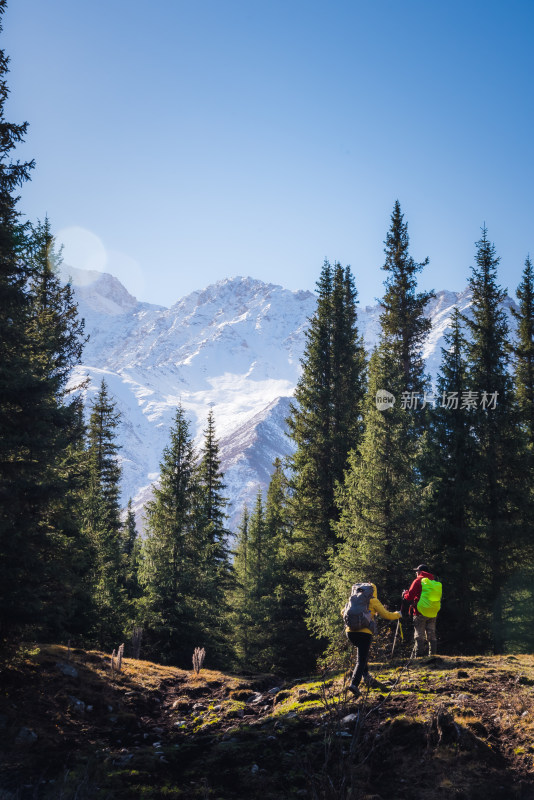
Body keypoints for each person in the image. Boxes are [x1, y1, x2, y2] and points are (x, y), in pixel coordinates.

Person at [343, 583, 401, 697]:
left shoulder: (353, 599)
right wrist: (398, 614)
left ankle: (366, 677)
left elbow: (342, 612)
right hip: (365, 633)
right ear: (373, 591)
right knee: (361, 660)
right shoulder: (373, 600)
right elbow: (386, 615)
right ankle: (354, 684)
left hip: (350, 633)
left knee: (362, 655)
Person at [403, 564, 441, 657]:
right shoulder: (433, 582)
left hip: (420, 612)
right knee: (431, 634)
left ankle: (419, 657)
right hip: (432, 612)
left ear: (420, 572)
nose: (416, 572)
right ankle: (433, 656)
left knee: (419, 635)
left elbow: (409, 596)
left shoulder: (418, 581)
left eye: (417, 571)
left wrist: (405, 594)